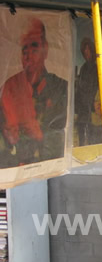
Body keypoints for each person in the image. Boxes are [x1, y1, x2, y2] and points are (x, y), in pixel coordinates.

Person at [0, 17, 67, 166]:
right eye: (24, 50)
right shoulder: (8, 89)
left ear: (46, 49)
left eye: (34, 48)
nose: (29, 56)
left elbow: (62, 137)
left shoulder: (61, 87)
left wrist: (36, 132)